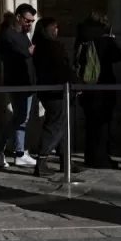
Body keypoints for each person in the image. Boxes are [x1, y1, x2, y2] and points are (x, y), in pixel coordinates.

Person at [31, 17, 79, 178]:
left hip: (52, 91)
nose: (56, 30)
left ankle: (66, 161)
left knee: (63, 125)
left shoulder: (38, 47)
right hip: (57, 92)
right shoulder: (53, 46)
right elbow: (63, 69)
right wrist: (75, 83)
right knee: (56, 125)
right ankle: (42, 161)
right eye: (53, 28)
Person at [74, 12, 121, 169]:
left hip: (87, 87)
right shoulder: (106, 40)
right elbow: (118, 56)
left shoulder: (82, 39)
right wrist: (113, 40)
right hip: (103, 86)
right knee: (103, 124)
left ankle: (90, 157)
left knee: (90, 124)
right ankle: (101, 159)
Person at [0, 3, 39, 169]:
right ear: (18, 17)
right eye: (27, 20)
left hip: (27, 80)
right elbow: (24, 53)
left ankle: (20, 153)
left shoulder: (21, 33)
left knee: (22, 117)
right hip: (17, 80)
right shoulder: (8, 34)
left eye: (32, 21)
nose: (30, 24)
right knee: (20, 117)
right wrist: (29, 51)